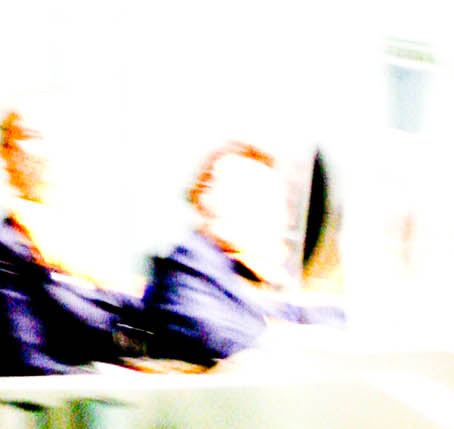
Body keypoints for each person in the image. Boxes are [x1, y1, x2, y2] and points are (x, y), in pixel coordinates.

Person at [140, 142, 331, 365]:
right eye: (256, 201)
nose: (283, 221)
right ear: (206, 204)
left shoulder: (241, 281)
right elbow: (225, 341)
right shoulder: (187, 271)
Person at [0, 105, 133, 373]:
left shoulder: (82, 239)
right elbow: (29, 360)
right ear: (8, 154)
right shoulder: (9, 247)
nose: (48, 151)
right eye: (33, 137)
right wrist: (108, 377)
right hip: (61, 391)